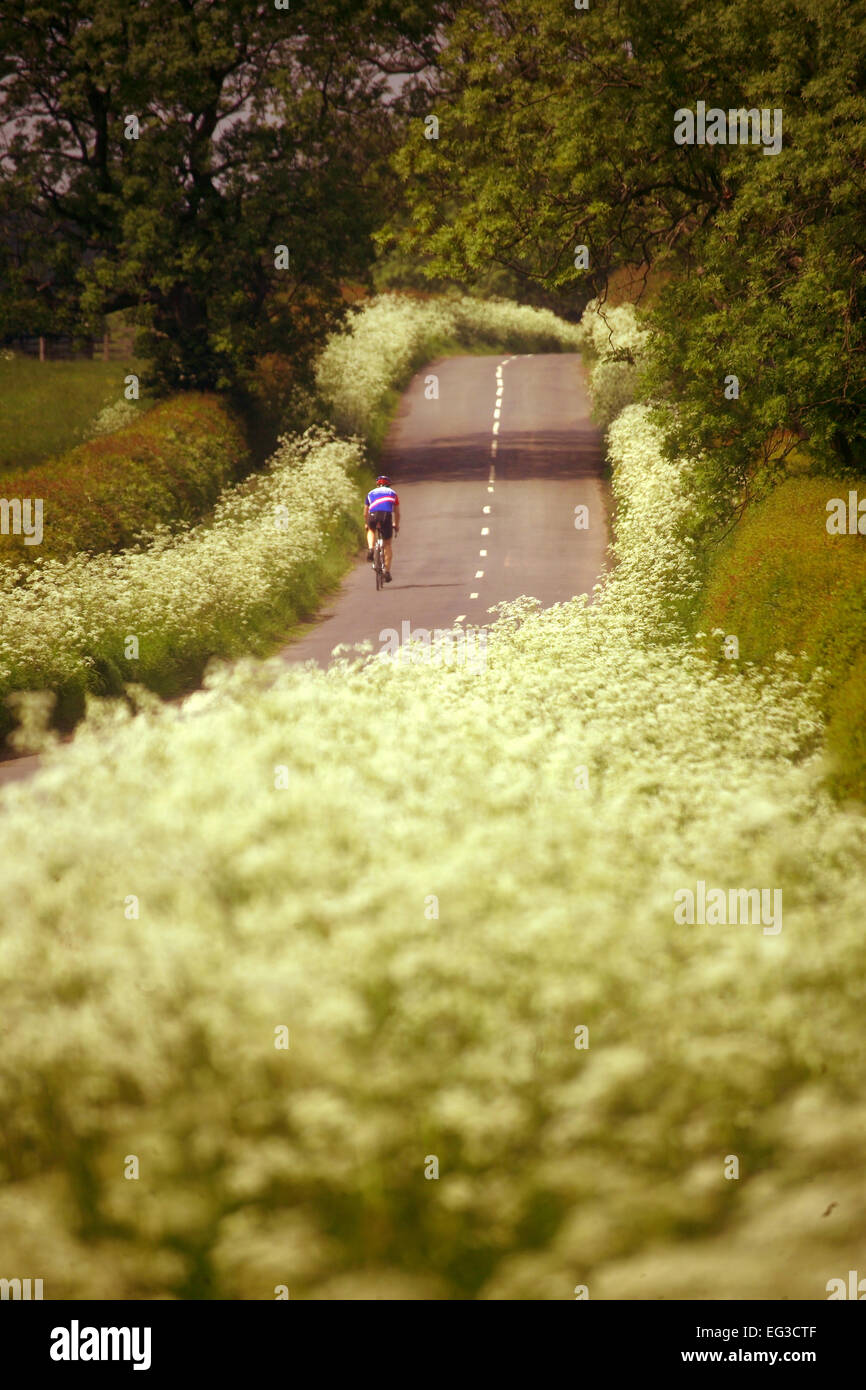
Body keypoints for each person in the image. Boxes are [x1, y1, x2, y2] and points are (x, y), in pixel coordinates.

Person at [364, 474, 400, 581]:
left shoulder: (370, 493)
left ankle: (371, 549)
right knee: (387, 544)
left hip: (372, 515)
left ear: (377, 484)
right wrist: (396, 525)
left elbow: (365, 512)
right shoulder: (393, 493)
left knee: (371, 530)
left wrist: (366, 523)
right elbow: (397, 513)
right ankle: (387, 572)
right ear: (389, 485)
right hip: (386, 516)